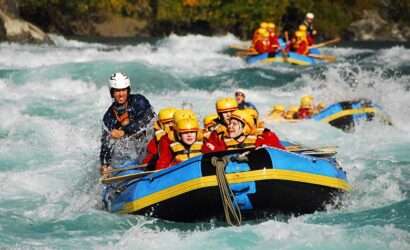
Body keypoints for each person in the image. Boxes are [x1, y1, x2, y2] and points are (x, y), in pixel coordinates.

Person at [100, 72, 155, 177]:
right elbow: (106, 144)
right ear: (112, 93)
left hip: (148, 143)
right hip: (131, 153)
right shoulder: (109, 117)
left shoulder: (139, 101)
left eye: (123, 90)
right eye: (117, 91)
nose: (121, 94)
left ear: (128, 91)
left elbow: (147, 119)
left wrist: (124, 131)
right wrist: (104, 164)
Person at [203, 110, 285, 153]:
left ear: (245, 127)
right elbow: (208, 150)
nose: (230, 126)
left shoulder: (262, 138)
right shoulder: (222, 141)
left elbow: (281, 152)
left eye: (234, 124)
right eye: (230, 123)